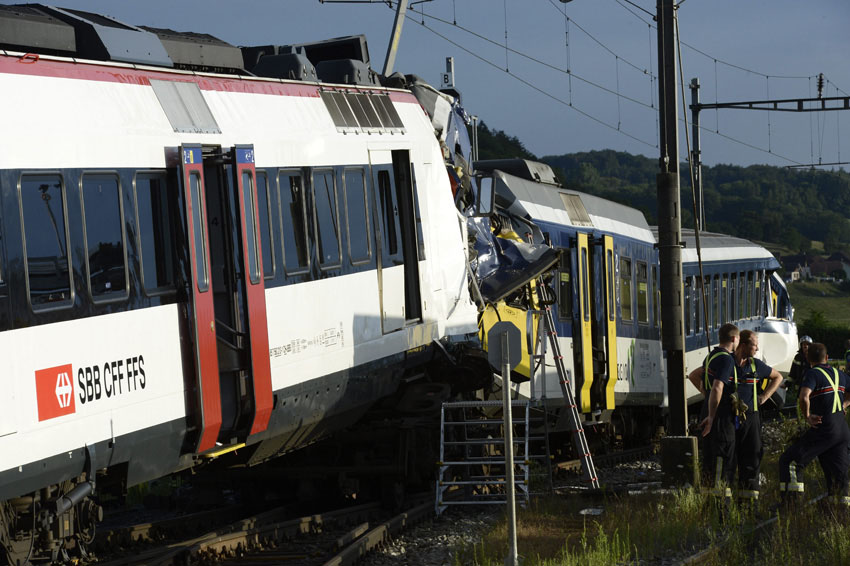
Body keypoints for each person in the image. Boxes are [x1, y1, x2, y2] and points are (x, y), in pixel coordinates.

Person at [778, 342, 850, 504]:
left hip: (824, 427)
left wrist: (807, 416)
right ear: (827, 358)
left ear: (807, 358)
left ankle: (791, 504)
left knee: (790, 461)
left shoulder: (812, 374)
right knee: (837, 473)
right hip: (842, 429)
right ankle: (841, 513)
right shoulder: (839, 374)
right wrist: (842, 405)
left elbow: (804, 397)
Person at [730, 330, 783, 502]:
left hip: (751, 418)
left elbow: (778, 377)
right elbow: (697, 375)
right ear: (743, 345)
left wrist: (764, 397)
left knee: (752, 458)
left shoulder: (756, 365)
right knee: (729, 459)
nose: (757, 349)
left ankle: (748, 504)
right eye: (755, 345)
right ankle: (725, 504)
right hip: (729, 419)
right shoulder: (726, 362)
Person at [688, 323, 739, 496]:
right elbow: (718, 387)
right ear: (734, 339)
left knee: (709, 462)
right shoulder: (727, 359)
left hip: (708, 413)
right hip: (720, 418)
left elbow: (696, 377)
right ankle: (720, 509)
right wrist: (712, 414)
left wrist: (707, 396)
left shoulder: (710, 356)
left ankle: (708, 502)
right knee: (721, 461)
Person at [786, 335, 813, 404]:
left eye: (808, 344)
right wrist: (787, 384)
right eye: (804, 344)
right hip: (799, 387)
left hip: (812, 387)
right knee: (800, 404)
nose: (806, 346)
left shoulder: (814, 357)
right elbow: (793, 372)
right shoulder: (798, 357)